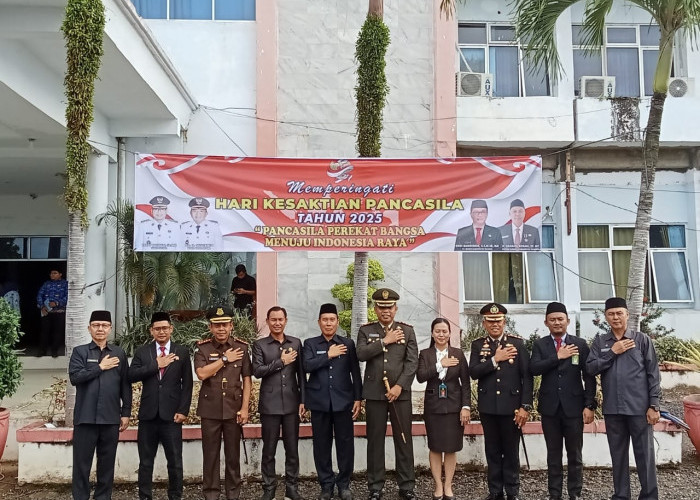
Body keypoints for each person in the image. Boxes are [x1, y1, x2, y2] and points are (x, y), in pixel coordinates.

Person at [586, 297, 661, 500]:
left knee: (645, 456)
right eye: (611, 314)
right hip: (613, 409)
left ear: (627, 314)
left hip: (639, 409)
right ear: (606, 317)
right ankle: (621, 496)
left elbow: (653, 374)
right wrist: (612, 352)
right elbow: (590, 369)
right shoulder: (601, 342)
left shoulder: (641, 340)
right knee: (618, 456)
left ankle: (649, 496)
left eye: (619, 313)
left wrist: (654, 405)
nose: (615, 317)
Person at [530, 302, 596, 500]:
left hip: (574, 407)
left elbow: (589, 376)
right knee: (553, 454)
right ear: (546, 322)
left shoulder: (580, 344)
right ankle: (555, 494)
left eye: (560, 319)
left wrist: (589, 404)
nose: (557, 323)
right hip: (550, 408)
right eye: (552, 320)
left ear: (568, 321)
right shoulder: (540, 344)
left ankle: (575, 493)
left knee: (575, 454)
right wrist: (557, 357)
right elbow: (534, 369)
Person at [357, 288, 418, 500]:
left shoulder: (407, 331)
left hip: (400, 395)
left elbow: (412, 363)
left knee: (403, 439)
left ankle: (407, 486)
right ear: (375, 309)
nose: (386, 311)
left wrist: (400, 386)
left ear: (395, 308)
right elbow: (361, 354)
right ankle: (375, 486)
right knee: (375, 441)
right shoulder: (366, 330)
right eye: (381, 307)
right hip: (375, 394)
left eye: (389, 307)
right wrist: (385, 341)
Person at [469, 303, 533, 500]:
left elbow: (527, 377)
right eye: (490, 321)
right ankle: (495, 491)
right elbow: (473, 372)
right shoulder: (478, 345)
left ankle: (512, 491)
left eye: (498, 321)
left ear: (504, 321)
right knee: (492, 451)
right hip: (488, 406)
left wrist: (525, 406)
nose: (495, 324)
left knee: (511, 451)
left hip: (511, 407)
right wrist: (495, 359)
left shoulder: (517, 344)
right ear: (484, 323)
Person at [128, 312, 193, 500]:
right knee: (145, 462)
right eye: (157, 329)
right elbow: (131, 376)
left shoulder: (181, 352)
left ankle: (175, 496)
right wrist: (156, 364)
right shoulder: (143, 352)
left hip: (172, 416)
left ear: (171, 329)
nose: (161, 332)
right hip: (148, 416)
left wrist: (183, 410)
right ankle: (145, 496)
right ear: (151, 331)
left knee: (175, 461)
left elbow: (187, 384)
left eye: (165, 328)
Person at [69, 310, 131, 500]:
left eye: (104, 325)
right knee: (81, 464)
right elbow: (75, 378)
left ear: (110, 328)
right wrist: (100, 367)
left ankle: (103, 497)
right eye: (96, 325)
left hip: (110, 418)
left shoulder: (118, 353)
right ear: (89, 328)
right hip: (85, 418)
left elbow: (125, 385)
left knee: (107, 464)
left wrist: (126, 412)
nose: (100, 329)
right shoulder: (80, 352)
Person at [303, 303, 363, 500]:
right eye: (325, 320)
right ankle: (326, 484)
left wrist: (358, 398)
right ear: (319, 322)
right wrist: (328, 355)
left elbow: (355, 372)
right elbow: (307, 366)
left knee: (345, 445)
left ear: (337, 322)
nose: (328, 323)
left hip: (343, 402)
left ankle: (344, 484)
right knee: (321, 445)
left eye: (332, 320)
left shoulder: (348, 344)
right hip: (319, 402)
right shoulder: (310, 344)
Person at [194, 306, 252, 500]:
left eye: (225, 324)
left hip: (233, 410)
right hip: (210, 410)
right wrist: (225, 359)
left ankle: (233, 494)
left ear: (231, 325)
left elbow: (247, 380)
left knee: (233, 456)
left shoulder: (242, 348)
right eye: (217, 325)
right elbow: (202, 374)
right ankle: (211, 494)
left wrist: (245, 408)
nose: (221, 329)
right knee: (210, 456)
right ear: (210, 327)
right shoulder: (203, 348)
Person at [252, 306, 305, 500]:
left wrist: (303, 401)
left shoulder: (296, 343)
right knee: (269, 450)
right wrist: (281, 362)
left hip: (291, 403)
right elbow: (257, 371)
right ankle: (269, 489)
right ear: (267, 321)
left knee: (292, 449)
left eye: (280, 319)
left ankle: (292, 488)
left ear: (286, 320)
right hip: (270, 404)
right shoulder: (260, 345)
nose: (277, 323)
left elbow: (301, 375)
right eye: (273, 319)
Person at [416, 318, 470, 500]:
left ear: (449, 333)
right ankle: (438, 486)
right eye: (437, 331)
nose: (441, 334)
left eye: (444, 331)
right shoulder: (425, 354)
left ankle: (448, 486)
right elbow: (421, 376)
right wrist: (441, 364)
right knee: (435, 447)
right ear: (432, 333)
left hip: (454, 406)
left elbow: (466, 383)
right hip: (433, 407)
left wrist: (466, 406)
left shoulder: (458, 354)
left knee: (451, 447)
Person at [36, 268, 68, 357]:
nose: (52, 275)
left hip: (59, 312)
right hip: (47, 312)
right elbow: (39, 295)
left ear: (60, 274)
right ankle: (42, 351)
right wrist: (42, 306)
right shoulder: (46, 284)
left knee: (57, 332)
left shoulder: (65, 284)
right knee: (44, 332)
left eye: (55, 273)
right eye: (51, 273)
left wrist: (57, 303)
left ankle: (54, 351)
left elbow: (68, 296)